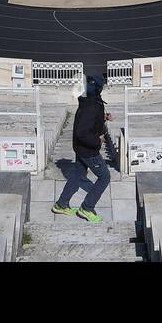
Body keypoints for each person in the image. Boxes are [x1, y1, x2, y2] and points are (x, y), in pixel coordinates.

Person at [53, 76, 111, 222]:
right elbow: (82, 132)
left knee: (78, 175)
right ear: (98, 88)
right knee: (104, 177)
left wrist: (103, 117)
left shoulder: (88, 100)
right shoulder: (93, 105)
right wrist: (98, 140)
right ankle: (87, 208)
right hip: (88, 150)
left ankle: (61, 204)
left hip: (80, 148)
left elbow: (89, 119)